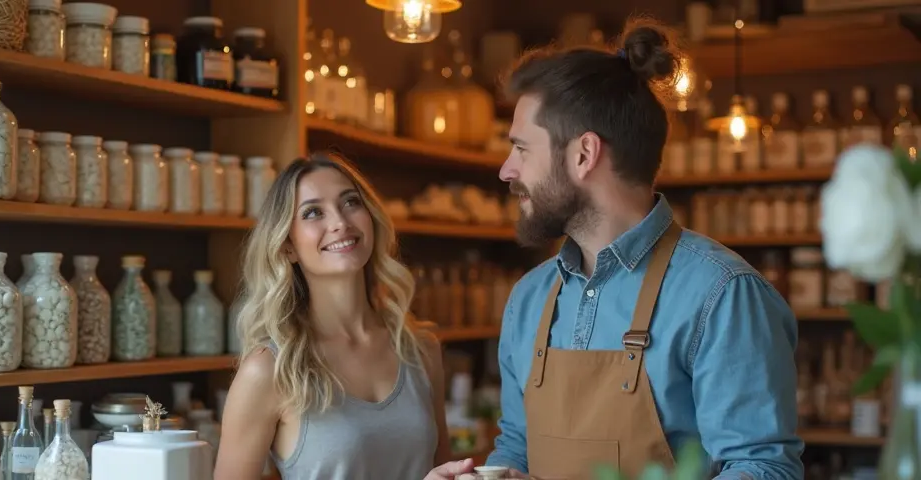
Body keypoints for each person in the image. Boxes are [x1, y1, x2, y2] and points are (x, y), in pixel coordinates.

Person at [426, 18, 804, 480]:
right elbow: (518, 449)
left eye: (521, 149)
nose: (506, 170)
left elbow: (763, 467)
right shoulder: (528, 299)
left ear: (584, 154)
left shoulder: (723, 294)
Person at [215, 152, 452, 479]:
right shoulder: (268, 371)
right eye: (313, 212)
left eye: (351, 202)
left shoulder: (422, 350)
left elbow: (444, 470)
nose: (340, 222)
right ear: (287, 247)